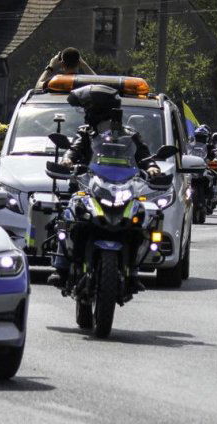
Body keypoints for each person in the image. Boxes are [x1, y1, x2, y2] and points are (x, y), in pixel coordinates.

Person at [51, 84, 156, 291]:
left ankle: (133, 272)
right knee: (69, 215)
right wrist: (67, 161)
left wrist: (152, 167)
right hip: (90, 186)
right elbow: (74, 149)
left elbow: (143, 155)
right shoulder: (86, 133)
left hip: (123, 187)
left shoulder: (129, 134)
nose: (85, 114)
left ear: (98, 110)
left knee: (138, 222)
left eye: (87, 109)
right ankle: (61, 267)